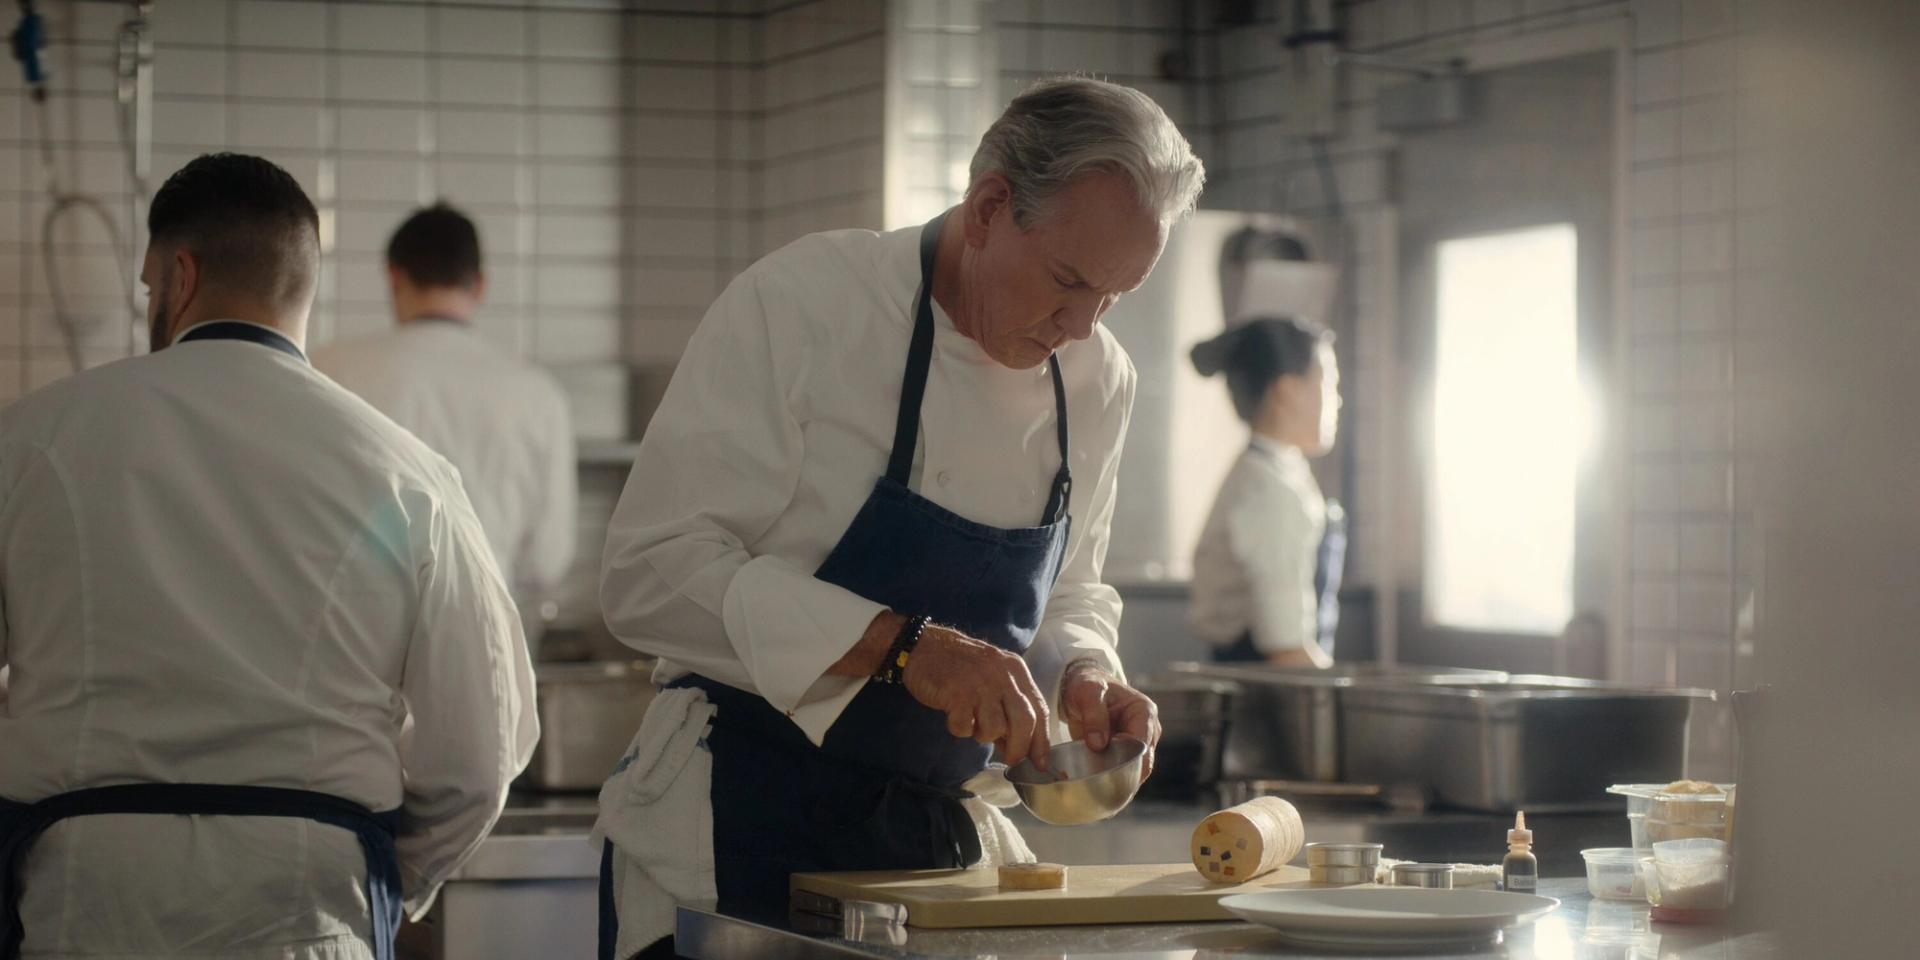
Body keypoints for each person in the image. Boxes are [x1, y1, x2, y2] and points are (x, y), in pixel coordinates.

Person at [593, 77, 1203, 958]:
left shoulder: (1099, 381)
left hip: (927, 863)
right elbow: (648, 575)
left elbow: (1070, 591)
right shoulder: (809, 305)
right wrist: (906, 648)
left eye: (1115, 297)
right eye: (1068, 281)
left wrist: (1084, 673)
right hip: (736, 826)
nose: (1081, 326)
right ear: (990, 205)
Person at [0, 154, 538, 960]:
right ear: (304, 286)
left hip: (86, 899)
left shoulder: (30, 440)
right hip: (308, 907)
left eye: (149, 288)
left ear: (179, 275)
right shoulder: (407, 473)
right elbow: (480, 757)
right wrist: (391, 872)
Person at [315, 203, 577, 638]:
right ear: (480, 285)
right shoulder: (538, 394)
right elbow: (548, 559)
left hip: (356, 635)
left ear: (394, 276)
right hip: (483, 632)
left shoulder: (330, 370)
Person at [1187, 316, 1345, 668]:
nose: (1338, 401)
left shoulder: (1279, 470)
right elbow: (1285, 646)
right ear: (1288, 390)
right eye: (1330, 384)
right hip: (1264, 699)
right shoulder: (1268, 491)